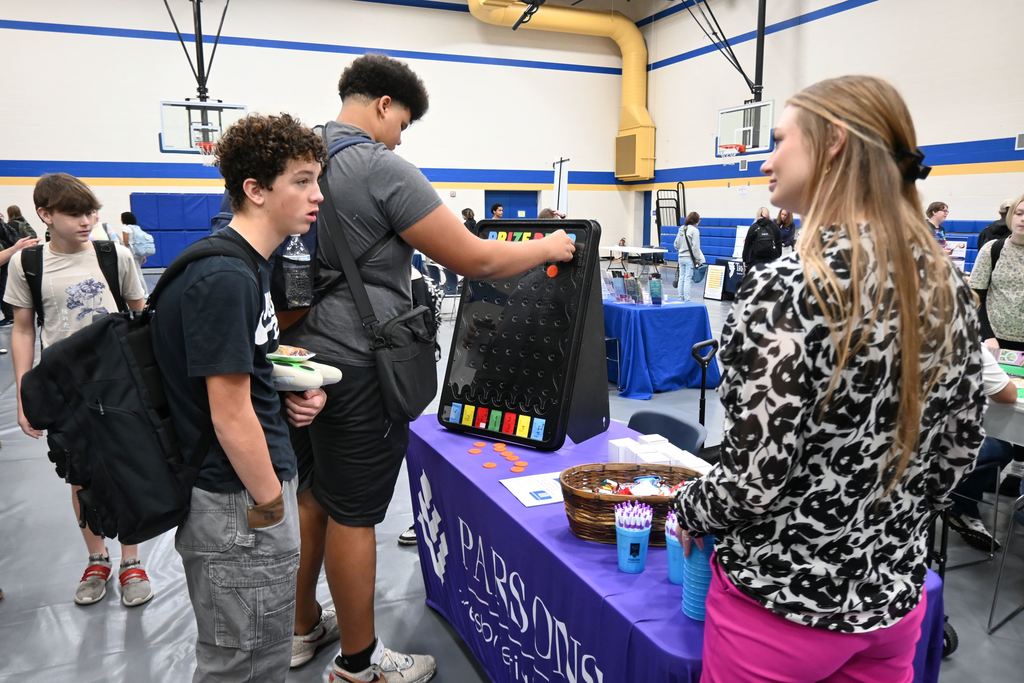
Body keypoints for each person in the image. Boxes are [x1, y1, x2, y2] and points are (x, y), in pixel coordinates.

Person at [673, 75, 985, 682]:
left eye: (780, 139)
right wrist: (883, 522)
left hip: (783, 606)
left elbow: (755, 478)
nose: (766, 159)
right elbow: (959, 450)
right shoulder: (947, 286)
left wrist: (690, 508)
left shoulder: (790, 286)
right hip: (892, 602)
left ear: (834, 142)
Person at [283, 54, 575, 683]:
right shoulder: (379, 166)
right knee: (356, 512)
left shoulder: (297, 158)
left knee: (316, 493)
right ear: (385, 106)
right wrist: (548, 246)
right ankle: (360, 665)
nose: (399, 136)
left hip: (298, 358)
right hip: (362, 363)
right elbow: (475, 259)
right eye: (403, 124)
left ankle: (303, 624)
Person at [151, 113, 329, 681]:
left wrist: (285, 387)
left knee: (257, 654)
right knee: (245, 665)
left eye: (316, 179)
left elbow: (241, 374)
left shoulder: (248, 266)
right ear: (255, 190)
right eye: (301, 180)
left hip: (243, 498)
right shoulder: (226, 277)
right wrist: (271, 503)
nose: (317, 195)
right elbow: (228, 413)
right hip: (239, 506)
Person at [5, 173, 151, 608]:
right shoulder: (27, 265)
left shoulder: (115, 256)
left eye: (91, 212)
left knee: (127, 467)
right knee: (80, 473)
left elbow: (143, 318)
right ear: (45, 215)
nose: (87, 221)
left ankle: (131, 561)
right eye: (74, 213)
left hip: (119, 384)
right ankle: (96, 559)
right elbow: (23, 329)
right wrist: (22, 394)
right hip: (65, 387)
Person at [946, 344, 1020, 550]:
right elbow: (1008, 394)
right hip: (936, 453)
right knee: (1000, 448)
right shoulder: (965, 342)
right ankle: (960, 506)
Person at [970, 194, 1024, 353]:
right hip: (995, 341)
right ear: (1010, 216)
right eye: (1019, 213)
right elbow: (976, 297)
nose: (1022, 219)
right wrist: (987, 335)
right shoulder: (992, 249)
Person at [672, 211, 704, 301]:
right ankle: (687, 299)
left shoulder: (682, 228)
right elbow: (696, 248)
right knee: (688, 278)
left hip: (680, 257)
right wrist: (698, 259)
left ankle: (680, 297)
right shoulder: (695, 231)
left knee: (681, 277)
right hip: (689, 258)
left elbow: (676, 244)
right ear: (696, 221)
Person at [120, 211, 149, 295]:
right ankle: (142, 291)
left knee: (137, 273)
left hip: (132, 253)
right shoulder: (137, 227)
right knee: (137, 272)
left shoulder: (126, 228)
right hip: (139, 252)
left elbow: (125, 242)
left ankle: (144, 292)